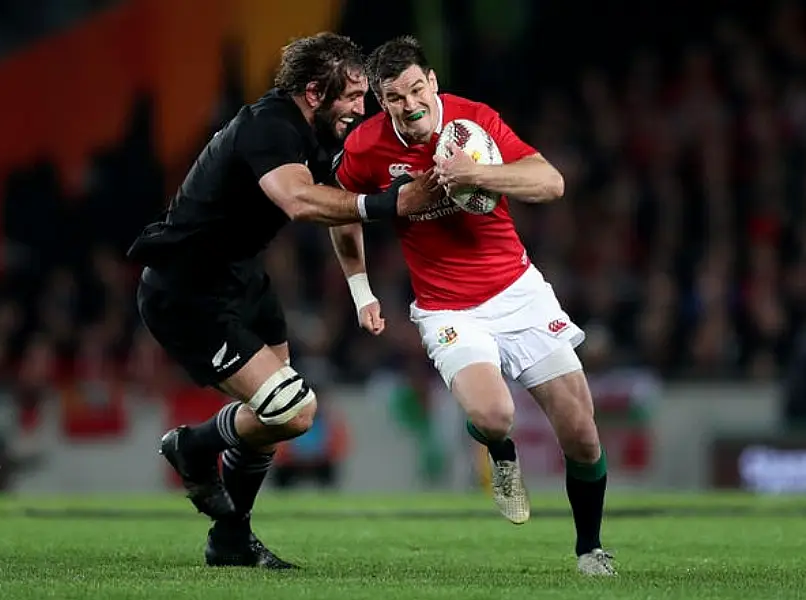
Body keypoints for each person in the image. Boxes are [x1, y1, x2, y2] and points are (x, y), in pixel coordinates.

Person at [126, 32, 437, 569]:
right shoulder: (269, 126)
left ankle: (229, 539)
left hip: (241, 278)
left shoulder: (318, 133)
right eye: (354, 96)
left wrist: (361, 290)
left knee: (272, 415)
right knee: (293, 412)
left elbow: (341, 207)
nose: (361, 109)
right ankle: (196, 446)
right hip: (187, 290)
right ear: (316, 92)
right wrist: (395, 201)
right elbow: (298, 200)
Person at [330, 36, 615, 576]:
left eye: (417, 89)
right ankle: (496, 449)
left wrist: (475, 173)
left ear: (432, 82)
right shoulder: (367, 148)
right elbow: (341, 210)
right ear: (381, 102)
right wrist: (361, 291)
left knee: (581, 432)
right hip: (447, 309)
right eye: (394, 97)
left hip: (518, 292)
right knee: (494, 413)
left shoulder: (474, 123)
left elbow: (549, 182)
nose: (410, 104)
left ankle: (590, 550)